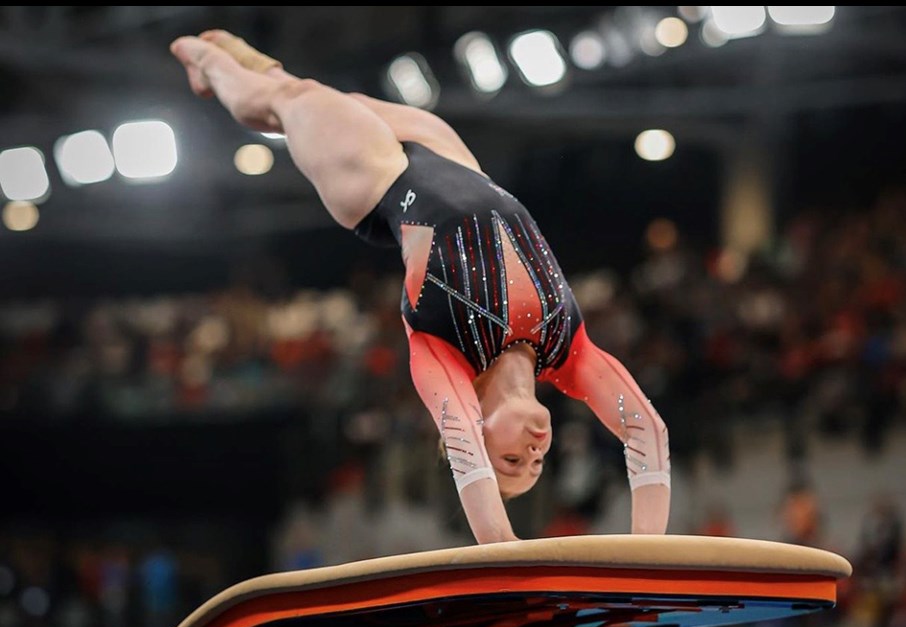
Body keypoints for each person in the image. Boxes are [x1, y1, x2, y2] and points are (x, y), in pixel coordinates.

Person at [169, 30, 671, 545]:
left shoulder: (442, 358)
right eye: (535, 462)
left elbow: (466, 463)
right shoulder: (568, 351)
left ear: (478, 433)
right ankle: (255, 62)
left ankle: (206, 60)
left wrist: (505, 547)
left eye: (513, 458)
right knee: (314, 97)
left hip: (374, 181)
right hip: (450, 158)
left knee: (286, 104)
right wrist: (647, 555)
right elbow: (646, 431)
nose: (537, 448)